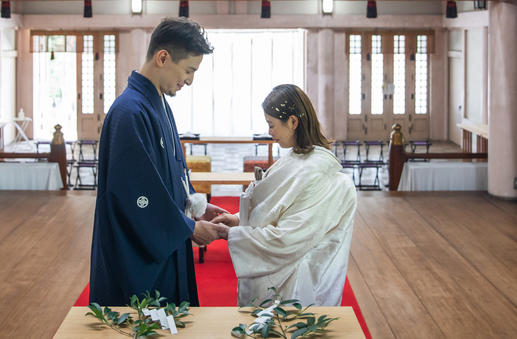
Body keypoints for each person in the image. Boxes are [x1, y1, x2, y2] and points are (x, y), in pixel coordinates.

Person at [89, 17, 229, 307]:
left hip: (164, 242)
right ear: (163, 57)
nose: (189, 80)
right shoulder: (129, 112)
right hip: (137, 253)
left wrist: (193, 205)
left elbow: (171, 172)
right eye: (189, 70)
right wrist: (187, 229)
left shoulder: (156, 103)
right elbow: (135, 196)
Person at [212, 84, 357, 307]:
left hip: (290, 285)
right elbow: (275, 208)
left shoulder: (314, 170)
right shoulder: (297, 157)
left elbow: (289, 238)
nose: (270, 132)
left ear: (293, 121)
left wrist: (233, 234)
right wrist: (239, 220)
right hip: (277, 278)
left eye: (271, 125)